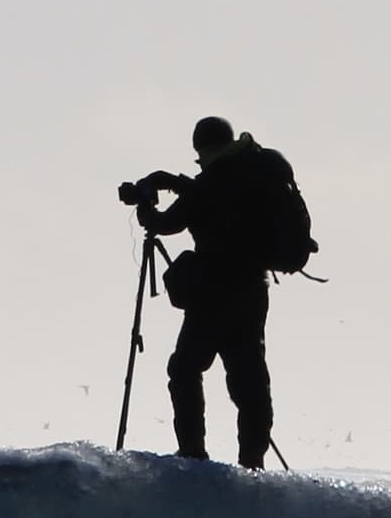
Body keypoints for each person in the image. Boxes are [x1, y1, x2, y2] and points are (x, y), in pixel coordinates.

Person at [122, 115, 311, 469]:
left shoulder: (211, 185)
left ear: (205, 149)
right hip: (253, 290)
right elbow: (212, 195)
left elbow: (165, 223)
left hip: (213, 293)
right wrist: (171, 181)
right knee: (249, 378)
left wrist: (145, 205)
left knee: (184, 368)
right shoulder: (254, 171)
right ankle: (253, 462)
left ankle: (193, 452)